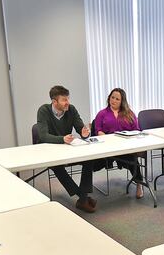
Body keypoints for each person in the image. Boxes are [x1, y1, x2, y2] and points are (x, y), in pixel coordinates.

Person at [36, 85, 98, 213]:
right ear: (54, 101)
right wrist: (62, 139)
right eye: (64, 100)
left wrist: (85, 132)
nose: (67, 102)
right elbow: (43, 136)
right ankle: (83, 197)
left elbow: (80, 128)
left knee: (89, 159)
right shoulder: (43, 110)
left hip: (67, 148)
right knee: (57, 166)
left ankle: (82, 198)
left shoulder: (71, 109)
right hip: (49, 149)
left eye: (68, 99)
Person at [93, 87, 145, 199]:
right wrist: (104, 136)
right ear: (109, 98)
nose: (114, 101)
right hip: (108, 148)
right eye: (112, 97)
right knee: (91, 165)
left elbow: (136, 129)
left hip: (125, 147)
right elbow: (98, 130)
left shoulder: (129, 113)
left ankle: (139, 184)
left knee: (133, 161)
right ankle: (85, 190)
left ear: (122, 101)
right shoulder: (102, 114)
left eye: (117, 99)